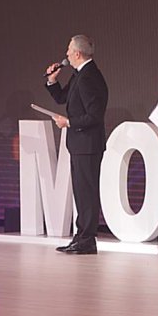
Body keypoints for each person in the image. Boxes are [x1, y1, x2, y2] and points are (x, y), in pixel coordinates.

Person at [45, 34, 108, 255]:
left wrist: (69, 122)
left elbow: (94, 116)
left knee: (87, 192)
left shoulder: (90, 77)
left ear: (78, 54)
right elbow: (62, 98)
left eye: (69, 50)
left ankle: (87, 239)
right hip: (80, 144)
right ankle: (81, 237)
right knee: (81, 192)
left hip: (88, 144)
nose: (66, 54)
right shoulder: (80, 74)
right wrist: (52, 81)